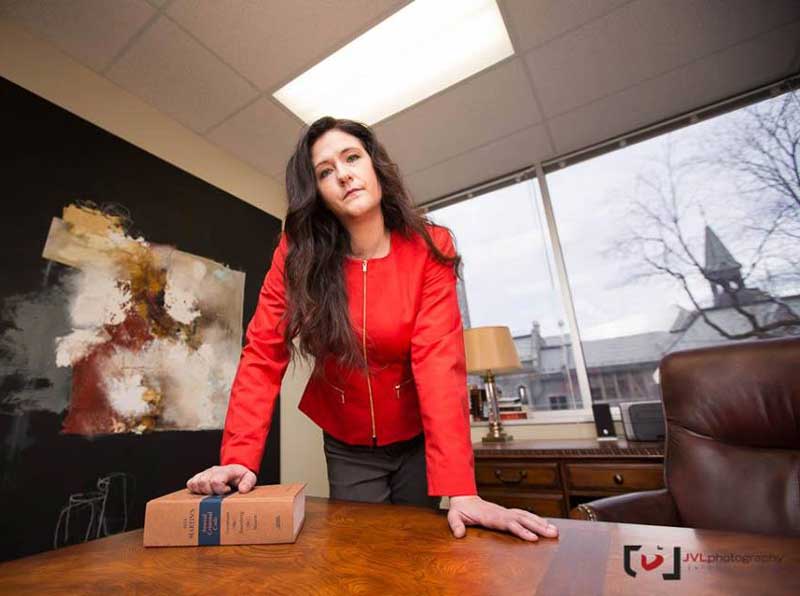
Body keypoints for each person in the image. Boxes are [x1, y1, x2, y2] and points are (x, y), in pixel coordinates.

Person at [187, 117, 558, 542]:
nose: (343, 173)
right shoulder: (295, 256)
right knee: (363, 552)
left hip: (417, 434)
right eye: (325, 171)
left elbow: (439, 361)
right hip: (347, 440)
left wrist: (461, 489)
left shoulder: (430, 246)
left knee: (420, 548)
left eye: (351, 158)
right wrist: (239, 456)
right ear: (319, 193)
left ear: (375, 166)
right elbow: (262, 352)